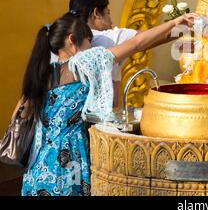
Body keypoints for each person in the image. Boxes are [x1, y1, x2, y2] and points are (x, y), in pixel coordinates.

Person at [17, 11, 195, 196]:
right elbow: (136, 44)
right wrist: (174, 22)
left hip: (38, 163)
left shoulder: (42, 72)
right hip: (68, 159)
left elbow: (22, 113)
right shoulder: (83, 63)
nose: (91, 46)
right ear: (72, 40)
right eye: (88, 40)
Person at [64, 0, 138, 107]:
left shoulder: (58, 40)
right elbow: (143, 40)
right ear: (96, 13)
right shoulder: (106, 39)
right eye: (107, 13)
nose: (111, 20)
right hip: (93, 118)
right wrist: (176, 26)